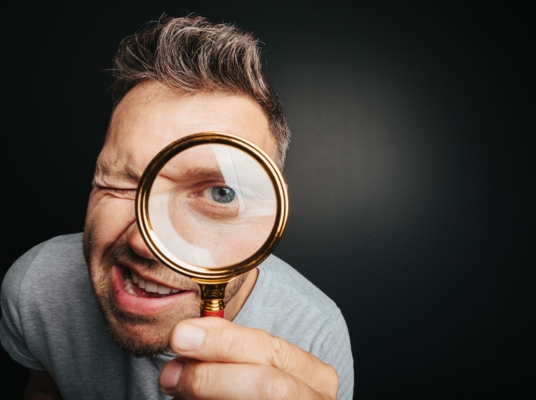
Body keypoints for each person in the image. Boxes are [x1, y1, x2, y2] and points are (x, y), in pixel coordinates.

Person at [0, 14, 353, 399]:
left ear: (273, 209)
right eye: (122, 182)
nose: (145, 242)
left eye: (221, 193)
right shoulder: (35, 286)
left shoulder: (314, 334)